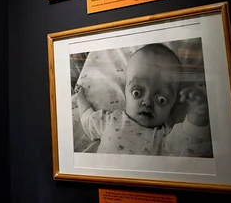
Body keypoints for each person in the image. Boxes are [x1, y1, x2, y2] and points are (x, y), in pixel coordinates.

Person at [76, 43, 212, 157]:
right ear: (125, 91)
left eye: (161, 100)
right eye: (137, 92)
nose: (147, 102)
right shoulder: (110, 121)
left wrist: (199, 113)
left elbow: (191, 140)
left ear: (173, 104)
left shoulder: (166, 138)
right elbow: (88, 119)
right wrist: (79, 97)